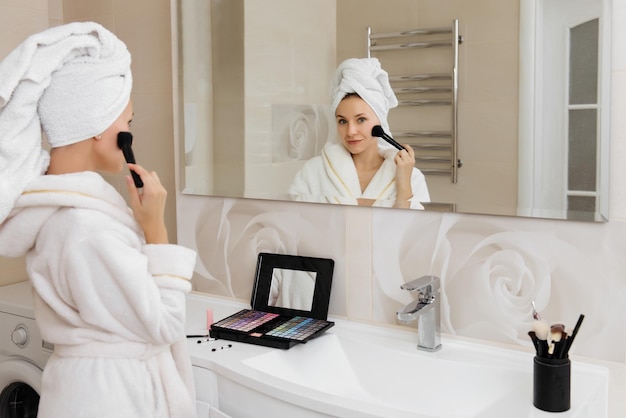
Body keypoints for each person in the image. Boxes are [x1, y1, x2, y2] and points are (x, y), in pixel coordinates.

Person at [0, 22, 197, 418]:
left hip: (83, 391)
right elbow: (163, 324)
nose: (130, 132)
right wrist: (155, 229)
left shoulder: (59, 211)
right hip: (112, 399)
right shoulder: (86, 228)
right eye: (128, 121)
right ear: (98, 122)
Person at [289, 57, 430, 209]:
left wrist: (403, 185)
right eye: (342, 121)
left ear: (380, 120)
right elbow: (295, 224)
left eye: (361, 119)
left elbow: (412, 230)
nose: (350, 131)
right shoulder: (313, 172)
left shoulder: (412, 177)